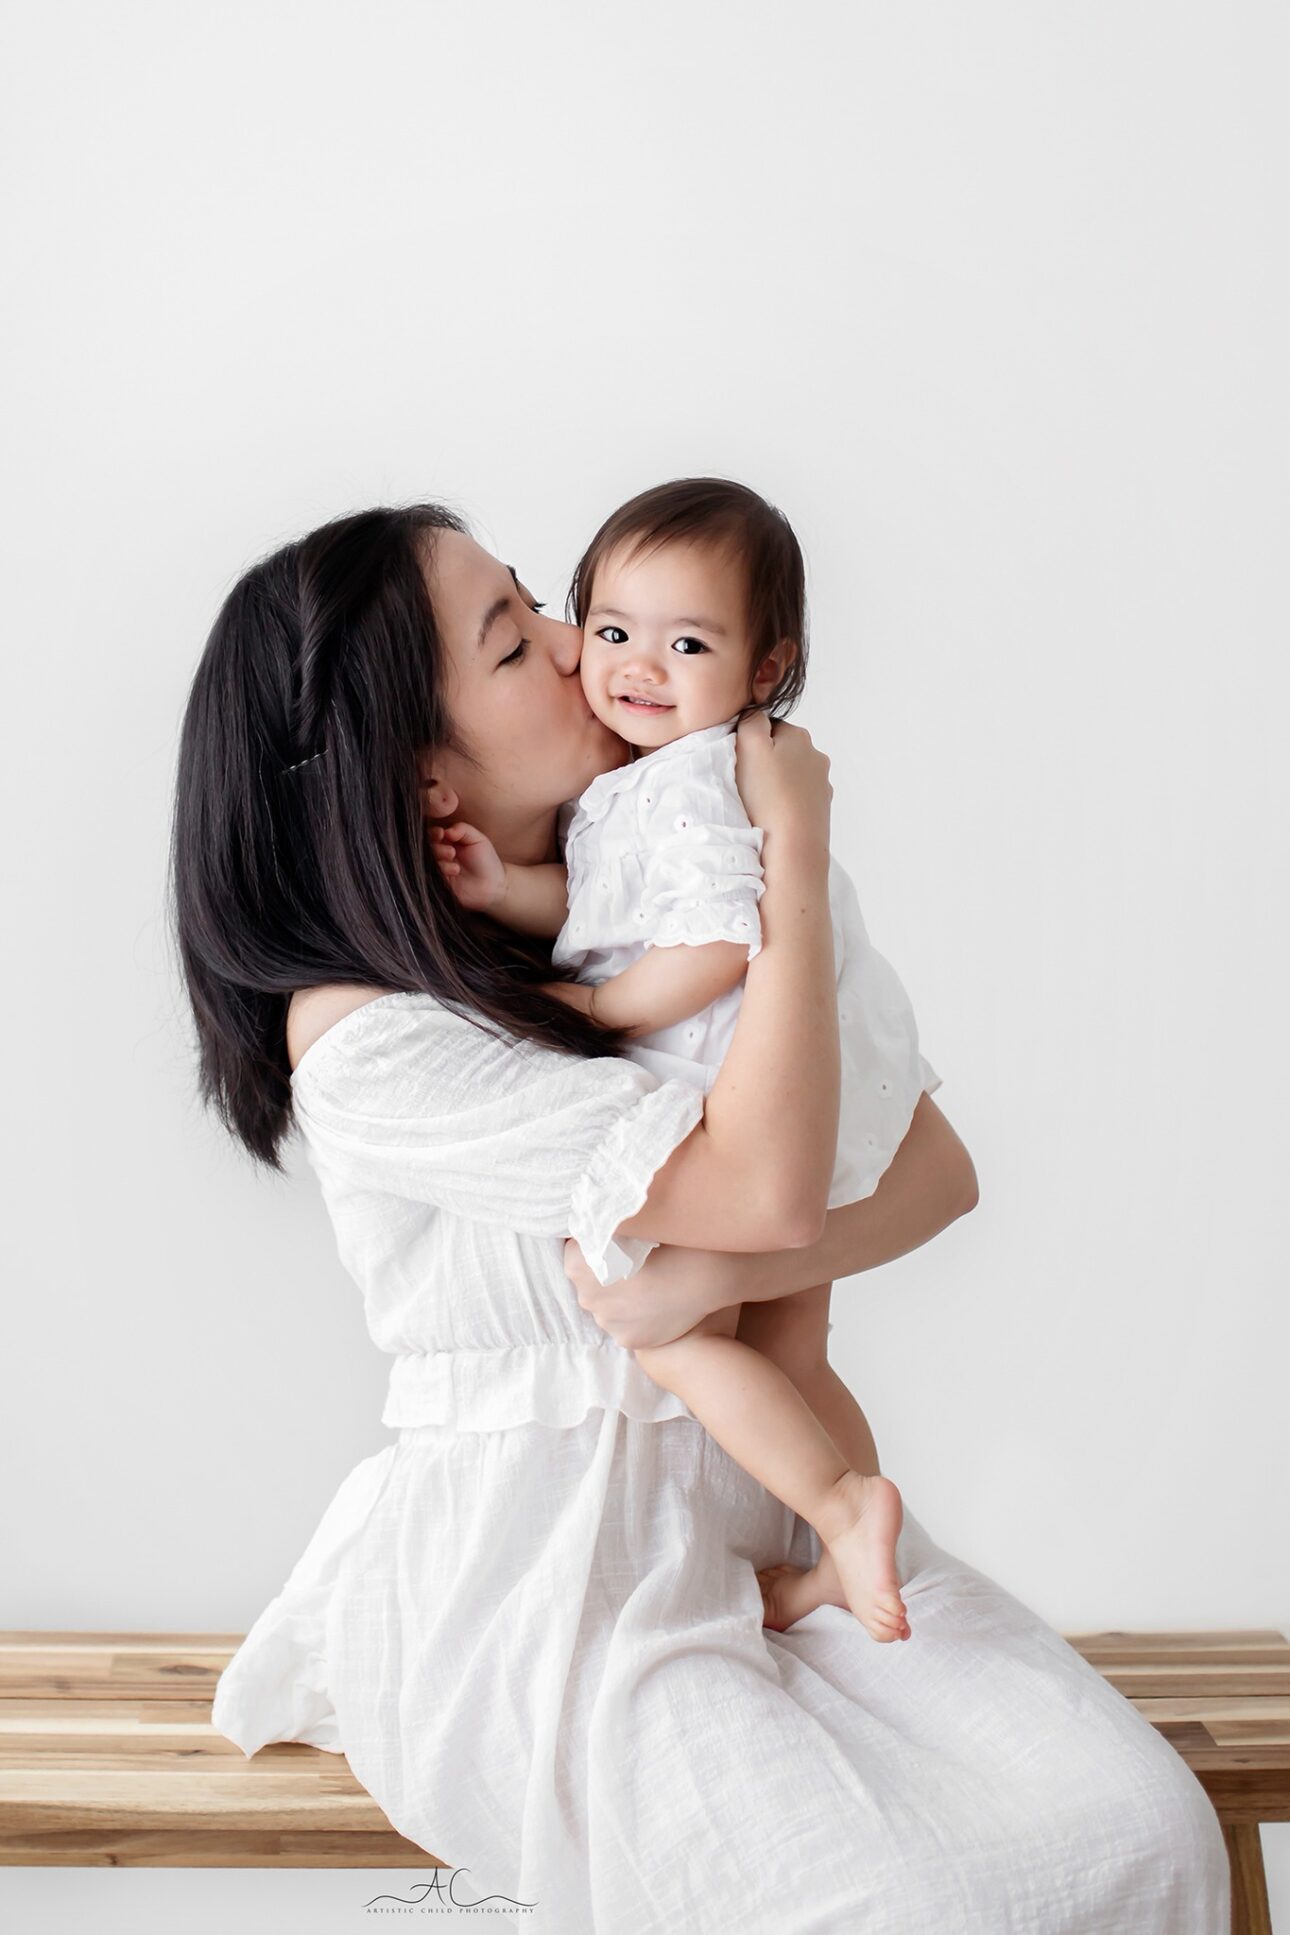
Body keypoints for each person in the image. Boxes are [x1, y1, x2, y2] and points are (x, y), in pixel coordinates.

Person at [176, 502, 1229, 1932]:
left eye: (538, 602)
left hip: (773, 1539)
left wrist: (697, 1281)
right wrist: (788, 843)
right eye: (513, 641)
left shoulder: (627, 896)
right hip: (554, 1590)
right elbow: (777, 1190)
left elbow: (935, 1172)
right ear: (418, 772)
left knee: (1145, 1828)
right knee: (897, 1906)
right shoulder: (371, 1038)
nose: (579, 645)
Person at [428, 476, 930, 1645]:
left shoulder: (692, 783)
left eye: (688, 644)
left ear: (766, 668)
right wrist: (508, 891)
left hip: (738, 1086)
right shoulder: (647, 781)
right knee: (794, 1351)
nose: (635, 667)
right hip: (810, 1087)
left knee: (671, 1331)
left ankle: (841, 1507)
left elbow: (705, 943)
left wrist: (603, 1006)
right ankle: (850, 1550)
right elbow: (609, 905)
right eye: (612, 631)